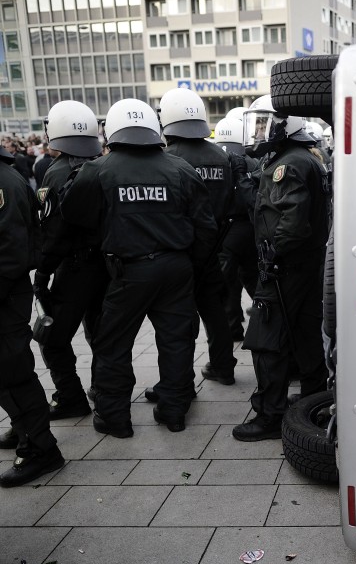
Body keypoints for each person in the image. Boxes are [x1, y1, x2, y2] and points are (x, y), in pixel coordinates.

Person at [60, 98, 217, 436]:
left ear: (112, 130)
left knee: (113, 344)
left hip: (128, 270)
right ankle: (174, 411)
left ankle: (115, 418)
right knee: (176, 342)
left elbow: (73, 213)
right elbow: (206, 227)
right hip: (176, 267)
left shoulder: (98, 170)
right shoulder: (180, 169)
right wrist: (190, 263)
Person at [230, 96, 329, 441]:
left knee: (266, 340)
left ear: (285, 126)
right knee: (305, 333)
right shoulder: (300, 159)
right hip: (301, 264)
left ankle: (270, 414)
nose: (259, 131)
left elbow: (292, 220)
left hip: (284, 266)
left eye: (264, 124)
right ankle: (317, 399)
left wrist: (273, 255)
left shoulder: (289, 165)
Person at [157, 87, 238, 389]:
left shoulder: (168, 159)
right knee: (215, 311)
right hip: (214, 249)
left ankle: (181, 382)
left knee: (180, 319)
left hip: (180, 253)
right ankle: (223, 366)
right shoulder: (222, 155)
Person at [33, 100, 109, 421]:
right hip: (106, 265)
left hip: (74, 267)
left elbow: (53, 232)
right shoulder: (105, 166)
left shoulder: (57, 171)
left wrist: (42, 275)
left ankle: (70, 397)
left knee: (51, 338)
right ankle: (103, 391)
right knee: (101, 333)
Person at [0, 144, 65, 487]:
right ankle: (23, 427)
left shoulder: (4, 183)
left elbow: (11, 252)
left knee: (14, 374)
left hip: (5, 295)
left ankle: (40, 448)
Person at [214, 113, 259, 342]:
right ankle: (263, 322)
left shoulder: (214, 161)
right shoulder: (252, 162)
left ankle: (233, 330)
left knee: (227, 286)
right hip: (250, 229)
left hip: (225, 231)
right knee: (255, 281)